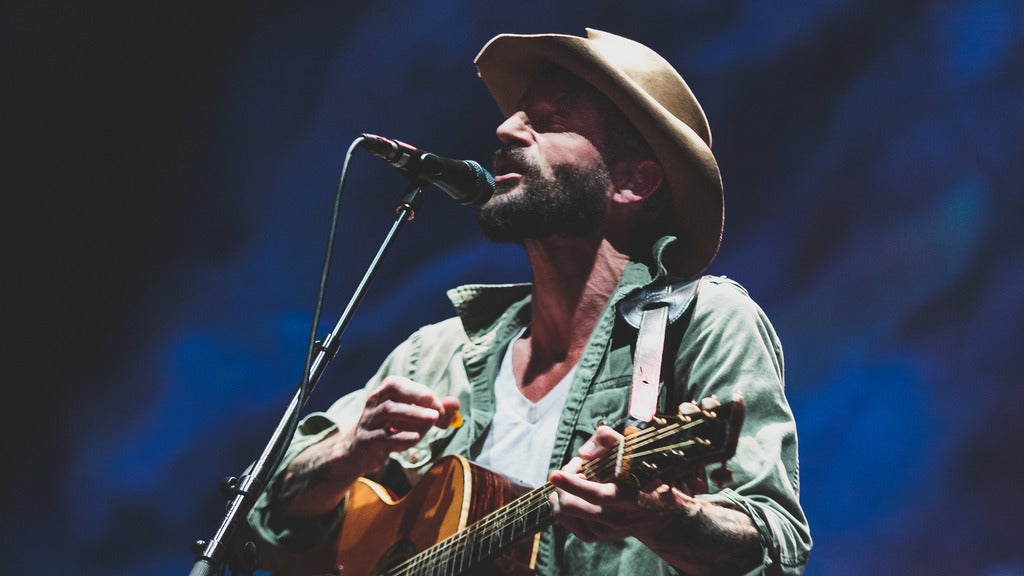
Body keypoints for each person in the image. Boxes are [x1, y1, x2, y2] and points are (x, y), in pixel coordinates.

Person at [246, 28, 811, 575]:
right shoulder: (436, 356)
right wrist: (346, 454)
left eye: (549, 122)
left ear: (633, 183)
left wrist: (664, 519)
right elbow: (263, 517)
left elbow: (774, 541)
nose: (506, 128)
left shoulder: (703, 324)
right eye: (517, 114)